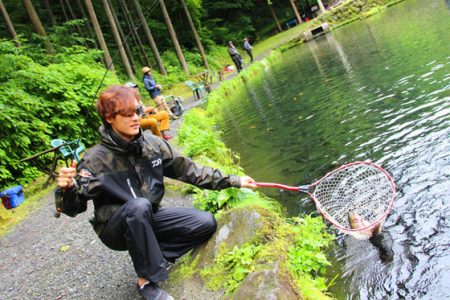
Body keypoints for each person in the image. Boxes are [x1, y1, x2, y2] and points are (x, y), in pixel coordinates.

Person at [55, 85, 257, 300]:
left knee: (206, 222)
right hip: (115, 229)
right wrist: (65, 189)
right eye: (127, 114)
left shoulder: (153, 145)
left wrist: (235, 181)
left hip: (149, 216)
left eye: (137, 111)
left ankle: (152, 256)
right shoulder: (95, 159)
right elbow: (73, 208)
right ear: (109, 118)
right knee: (139, 205)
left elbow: (191, 171)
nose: (135, 118)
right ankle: (146, 282)